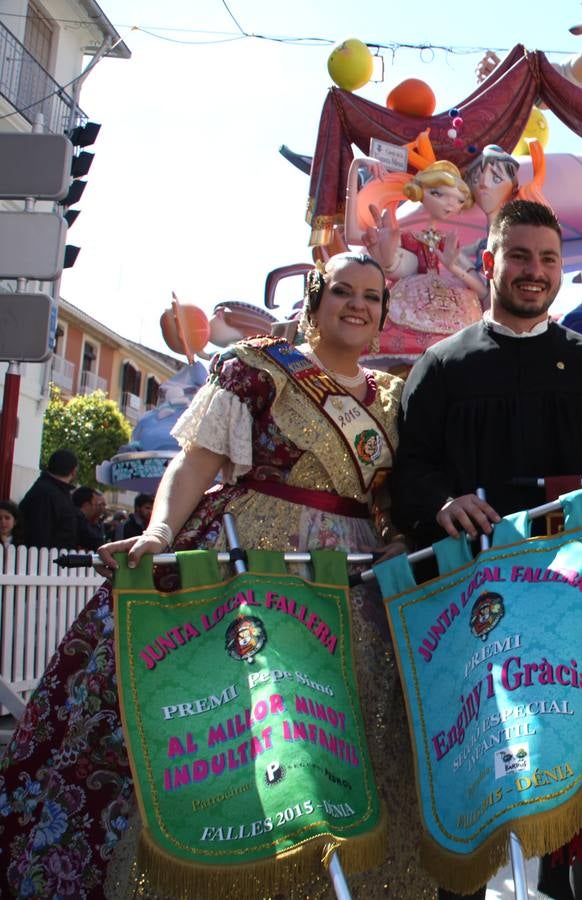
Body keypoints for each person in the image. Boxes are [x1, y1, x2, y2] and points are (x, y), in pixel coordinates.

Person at [0, 252, 429, 897]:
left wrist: (396, 540)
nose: (357, 305)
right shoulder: (259, 370)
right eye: (342, 290)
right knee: (228, 720)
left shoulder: (393, 400)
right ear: (316, 297)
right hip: (247, 558)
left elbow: (391, 502)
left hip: (352, 577)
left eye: (371, 296)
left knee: (342, 730)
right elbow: (195, 464)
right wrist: (159, 532)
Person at [392, 199, 582, 900]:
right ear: (490, 262)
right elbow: (410, 471)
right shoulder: (442, 368)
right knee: (477, 775)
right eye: (519, 256)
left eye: (546, 259)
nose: (534, 272)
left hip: (567, 611)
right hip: (470, 612)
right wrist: (444, 502)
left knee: (570, 769)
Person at [347, 158, 488, 364]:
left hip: (453, 314)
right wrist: (355, 167)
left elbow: (483, 291)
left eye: (458, 200)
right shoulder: (403, 237)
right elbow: (352, 235)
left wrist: (455, 268)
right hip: (408, 302)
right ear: (419, 192)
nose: (450, 204)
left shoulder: (446, 243)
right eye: (439, 194)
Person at [18, 447, 80, 548]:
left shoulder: (46, 489)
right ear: (73, 471)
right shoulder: (48, 493)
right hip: (45, 557)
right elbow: (39, 533)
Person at [71, 485, 106, 551]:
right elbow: (96, 543)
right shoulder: (78, 520)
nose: (97, 508)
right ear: (86, 505)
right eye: (96, 505)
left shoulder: (80, 519)